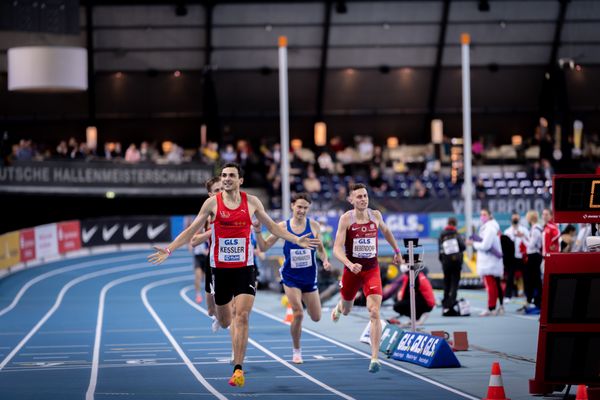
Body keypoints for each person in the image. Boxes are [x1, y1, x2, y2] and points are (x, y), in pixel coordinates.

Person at [148, 163, 320, 388]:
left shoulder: (252, 202)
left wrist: (297, 239)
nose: (227, 179)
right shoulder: (212, 203)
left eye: (231, 176)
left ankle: (238, 368)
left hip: (244, 268)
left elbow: (272, 227)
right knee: (225, 320)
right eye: (224, 175)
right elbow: (192, 231)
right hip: (220, 270)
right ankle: (221, 321)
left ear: (240, 180)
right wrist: (169, 249)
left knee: (243, 316)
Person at [330, 183, 402, 373]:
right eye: (359, 197)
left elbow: (386, 231)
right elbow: (336, 248)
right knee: (346, 310)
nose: (363, 199)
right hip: (351, 271)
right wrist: (349, 264)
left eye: (365, 196)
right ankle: (339, 305)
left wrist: (396, 250)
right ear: (351, 200)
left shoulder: (375, 215)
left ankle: (375, 358)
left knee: (374, 312)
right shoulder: (346, 219)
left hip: (371, 270)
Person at [254, 192, 331, 364]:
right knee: (297, 312)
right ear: (292, 206)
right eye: (299, 207)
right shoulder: (282, 227)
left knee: (316, 316)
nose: (302, 210)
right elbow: (264, 247)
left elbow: (319, 248)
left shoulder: (314, 226)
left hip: (309, 277)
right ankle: (297, 350)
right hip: (290, 277)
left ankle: (298, 344)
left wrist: (325, 260)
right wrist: (258, 231)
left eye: (305, 208)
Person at [189, 177, 222, 312]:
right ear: (211, 195)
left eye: (222, 189)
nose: (221, 192)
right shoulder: (207, 217)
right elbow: (194, 239)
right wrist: (212, 232)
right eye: (217, 190)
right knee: (210, 310)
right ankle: (199, 294)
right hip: (210, 258)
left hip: (232, 260)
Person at [467, 208, 504, 316]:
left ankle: (491, 307)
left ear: (490, 215)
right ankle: (495, 306)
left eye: (484, 214)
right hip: (489, 261)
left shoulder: (490, 228)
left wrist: (473, 244)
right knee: (494, 285)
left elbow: (485, 245)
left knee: (490, 286)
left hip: (489, 262)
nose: (482, 216)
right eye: (481, 214)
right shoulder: (488, 227)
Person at [438, 217, 466, 316]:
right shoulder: (456, 234)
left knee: (446, 283)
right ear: (455, 224)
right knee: (454, 284)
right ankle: (451, 305)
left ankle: (445, 305)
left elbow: (439, 249)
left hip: (446, 262)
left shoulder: (442, 234)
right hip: (456, 262)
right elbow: (463, 247)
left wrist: (443, 260)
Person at [518, 210, 543, 313]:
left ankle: (537, 301)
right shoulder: (534, 229)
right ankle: (533, 300)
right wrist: (524, 236)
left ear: (530, 218)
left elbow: (530, 246)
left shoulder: (536, 229)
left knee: (534, 280)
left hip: (534, 256)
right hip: (533, 256)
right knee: (533, 280)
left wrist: (523, 238)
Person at [503, 213, 529, 301]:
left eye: (517, 218)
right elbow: (505, 246)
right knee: (510, 277)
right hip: (512, 258)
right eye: (514, 218)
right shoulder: (507, 231)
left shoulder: (524, 230)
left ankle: (528, 295)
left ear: (519, 219)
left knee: (526, 277)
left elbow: (529, 242)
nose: (515, 220)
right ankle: (508, 295)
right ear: (511, 219)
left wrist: (523, 236)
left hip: (522, 257)